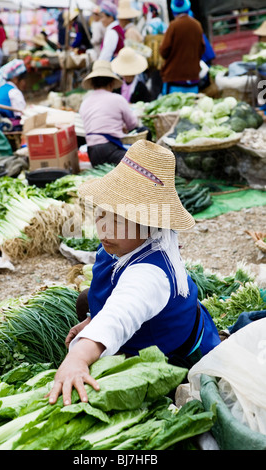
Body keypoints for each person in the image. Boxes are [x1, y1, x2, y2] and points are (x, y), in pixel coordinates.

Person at [47, 139, 221, 406]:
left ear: (150, 224)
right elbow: (113, 301)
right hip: (159, 324)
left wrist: (78, 358)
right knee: (85, 300)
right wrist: (93, 318)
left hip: (172, 355)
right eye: (102, 214)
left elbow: (120, 314)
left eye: (118, 220)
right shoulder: (123, 244)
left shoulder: (149, 274)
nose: (104, 228)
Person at [79, 59, 141, 167]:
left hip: (92, 152)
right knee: (141, 166)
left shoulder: (85, 103)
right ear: (111, 83)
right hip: (110, 149)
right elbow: (132, 124)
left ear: (93, 84)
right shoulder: (117, 99)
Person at [159, 0, 205, 95]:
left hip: (174, 77)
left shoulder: (173, 26)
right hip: (193, 77)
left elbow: (164, 51)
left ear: (173, 11)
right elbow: (202, 49)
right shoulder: (197, 25)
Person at [0, 59, 27, 130]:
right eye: (24, 80)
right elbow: (21, 114)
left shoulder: (0, 88)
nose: (25, 83)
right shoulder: (14, 92)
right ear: (15, 79)